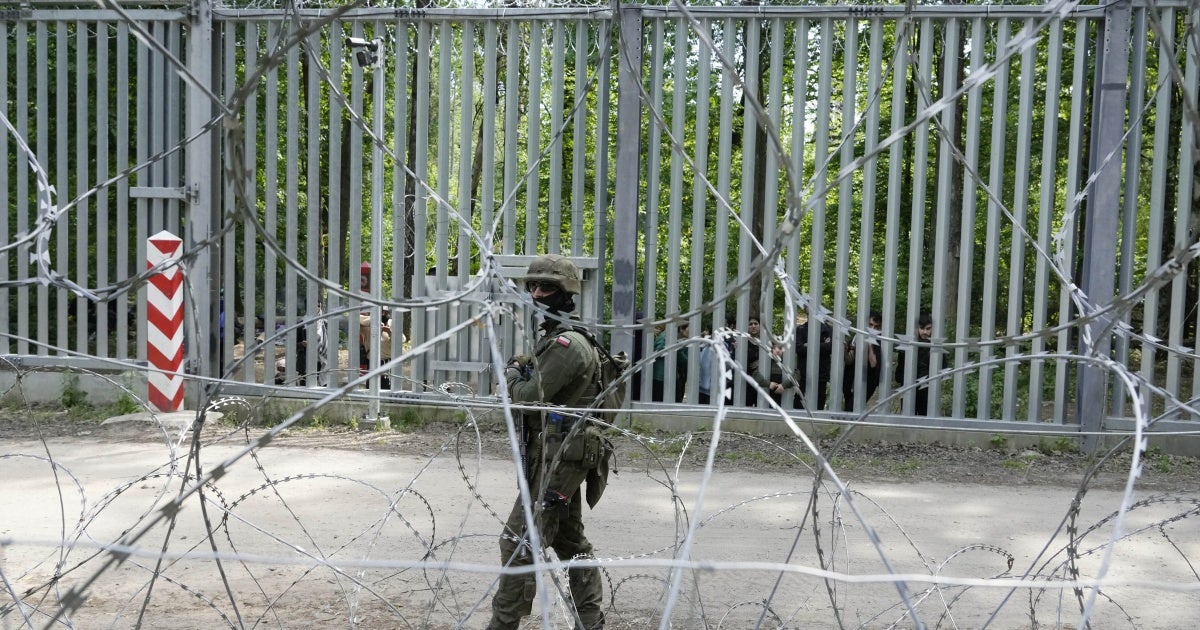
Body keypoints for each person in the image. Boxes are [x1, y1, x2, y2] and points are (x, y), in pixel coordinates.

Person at [488, 254, 609, 630]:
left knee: (518, 542)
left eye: (547, 288)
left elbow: (524, 397)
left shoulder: (567, 344)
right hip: (559, 456)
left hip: (560, 459)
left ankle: (503, 625)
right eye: (533, 287)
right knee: (571, 544)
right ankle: (590, 621)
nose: (537, 293)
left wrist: (508, 374)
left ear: (565, 292)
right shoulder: (557, 340)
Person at [357, 262, 394, 389]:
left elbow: (402, 340)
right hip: (372, 362)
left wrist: (389, 331)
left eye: (384, 311)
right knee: (371, 390)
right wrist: (374, 321)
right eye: (380, 311)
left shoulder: (391, 323)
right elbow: (356, 318)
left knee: (387, 391)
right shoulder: (369, 324)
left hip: (387, 364)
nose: (383, 313)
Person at [894, 311, 933, 416]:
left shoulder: (935, 347)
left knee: (924, 418)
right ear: (916, 328)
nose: (925, 332)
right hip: (908, 386)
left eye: (928, 329)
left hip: (927, 387)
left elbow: (942, 366)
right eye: (922, 328)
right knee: (907, 417)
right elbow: (901, 367)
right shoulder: (907, 345)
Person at [843, 310, 883, 411]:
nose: (872, 329)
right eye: (870, 325)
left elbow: (873, 364)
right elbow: (848, 360)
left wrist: (869, 344)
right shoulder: (855, 338)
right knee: (849, 408)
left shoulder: (879, 342)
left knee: (852, 408)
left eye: (876, 327)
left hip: (867, 382)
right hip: (850, 380)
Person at [794, 317, 833, 410]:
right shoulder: (801, 329)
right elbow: (799, 349)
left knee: (819, 404)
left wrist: (808, 344)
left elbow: (830, 347)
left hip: (821, 374)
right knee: (799, 403)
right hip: (803, 374)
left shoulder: (828, 329)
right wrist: (822, 344)